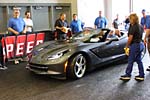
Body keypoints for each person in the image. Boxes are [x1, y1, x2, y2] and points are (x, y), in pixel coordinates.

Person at [120, 13, 145, 81]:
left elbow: (130, 38)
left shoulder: (133, 27)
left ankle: (128, 75)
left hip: (135, 45)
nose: (129, 20)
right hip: (140, 44)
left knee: (130, 60)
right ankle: (141, 75)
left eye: (130, 18)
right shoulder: (140, 26)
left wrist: (127, 46)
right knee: (139, 60)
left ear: (133, 19)